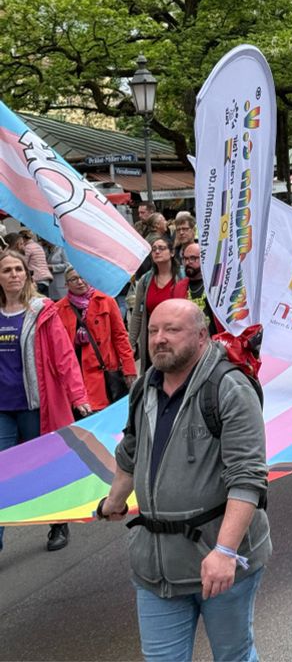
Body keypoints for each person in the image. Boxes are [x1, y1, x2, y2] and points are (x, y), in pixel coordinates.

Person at [98, 299, 270, 662]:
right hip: (156, 565)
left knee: (233, 656)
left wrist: (225, 552)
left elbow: (248, 477)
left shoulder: (229, 387)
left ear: (202, 336)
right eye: (154, 331)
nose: (160, 339)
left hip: (219, 562)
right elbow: (131, 451)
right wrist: (115, 501)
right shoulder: (144, 386)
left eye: (172, 330)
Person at [0, 248, 91, 554]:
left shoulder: (42, 310)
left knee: (45, 469)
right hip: (3, 409)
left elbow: (64, 355)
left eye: (18, 269)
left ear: (27, 274)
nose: (13, 275)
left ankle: (58, 524)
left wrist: (78, 396)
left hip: (37, 406)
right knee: (2, 473)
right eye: (6, 270)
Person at [55, 267, 137, 410]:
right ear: (66, 284)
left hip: (105, 375)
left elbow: (120, 337)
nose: (80, 282)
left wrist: (129, 369)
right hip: (76, 377)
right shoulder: (59, 309)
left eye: (83, 277)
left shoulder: (106, 301)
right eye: (74, 279)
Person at [129, 237, 181, 370]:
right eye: (154, 249)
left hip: (178, 338)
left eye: (161, 248)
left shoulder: (183, 277)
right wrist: (131, 342)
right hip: (155, 341)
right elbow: (137, 315)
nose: (157, 252)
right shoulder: (145, 281)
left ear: (172, 252)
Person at [174, 242, 220, 335]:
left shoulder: (216, 283)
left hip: (215, 343)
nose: (187, 262)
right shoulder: (179, 287)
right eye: (185, 259)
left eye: (193, 258)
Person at [15, 230, 53, 296]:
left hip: (37, 278)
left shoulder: (27, 248)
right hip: (45, 278)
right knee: (44, 301)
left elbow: (23, 263)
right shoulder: (38, 246)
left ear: (23, 239)